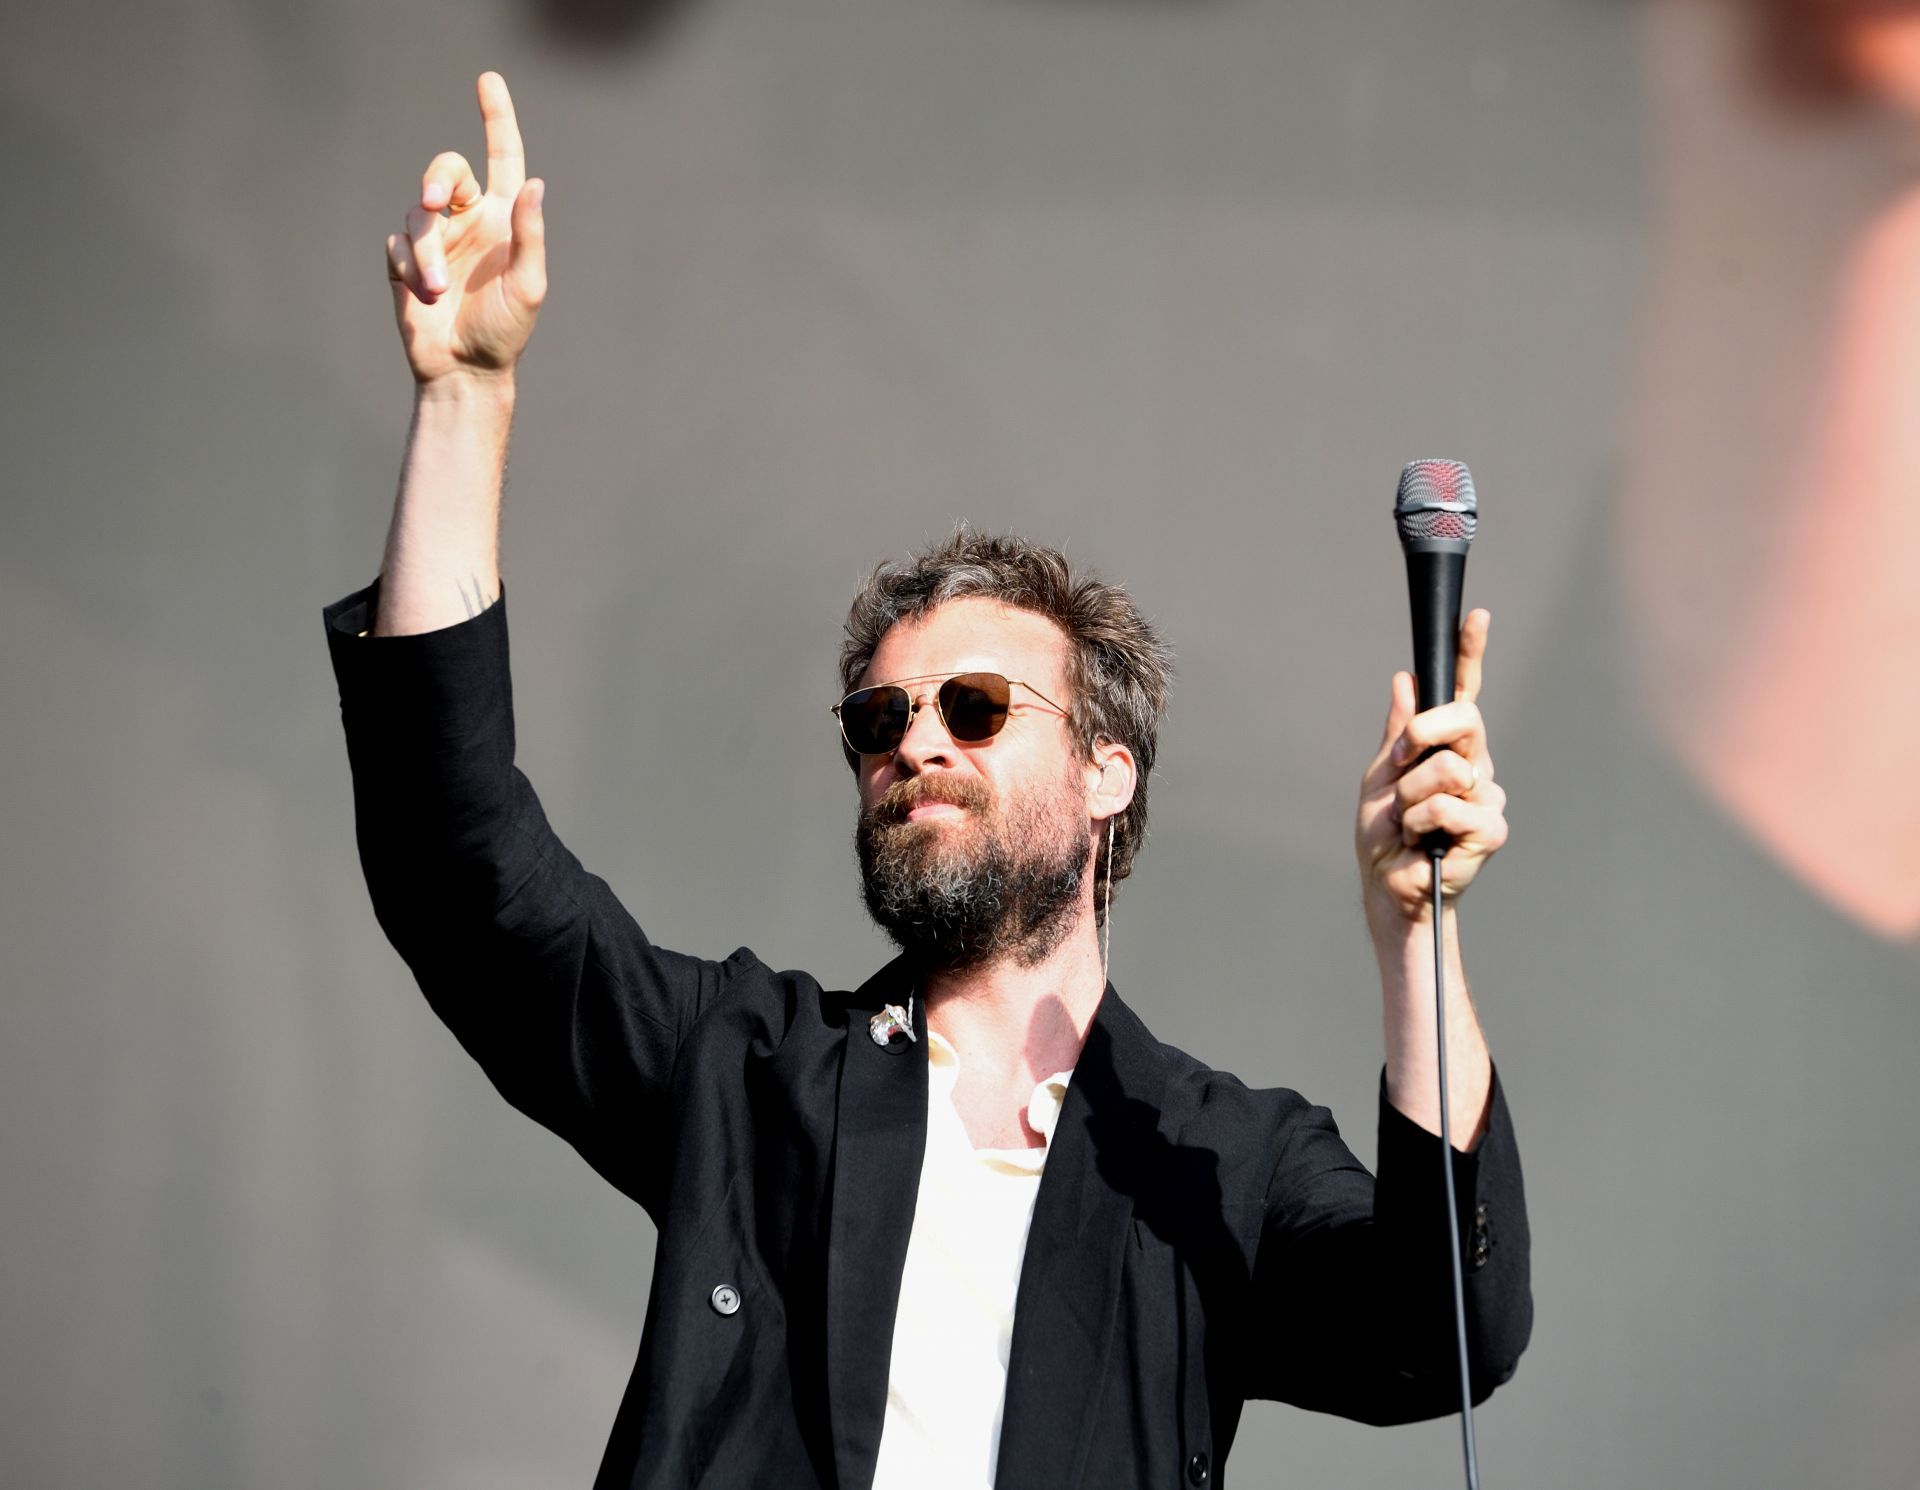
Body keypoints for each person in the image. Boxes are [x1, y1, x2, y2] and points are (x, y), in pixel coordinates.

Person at [325, 71, 1531, 1490]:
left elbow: (1442, 1335)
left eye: (973, 704)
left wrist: (1415, 935)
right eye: (879, 716)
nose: (916, 740)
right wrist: (467, 396)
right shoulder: (752, 1075)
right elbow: (458, 869)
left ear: (1106, 771)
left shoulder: (1219, 1158)